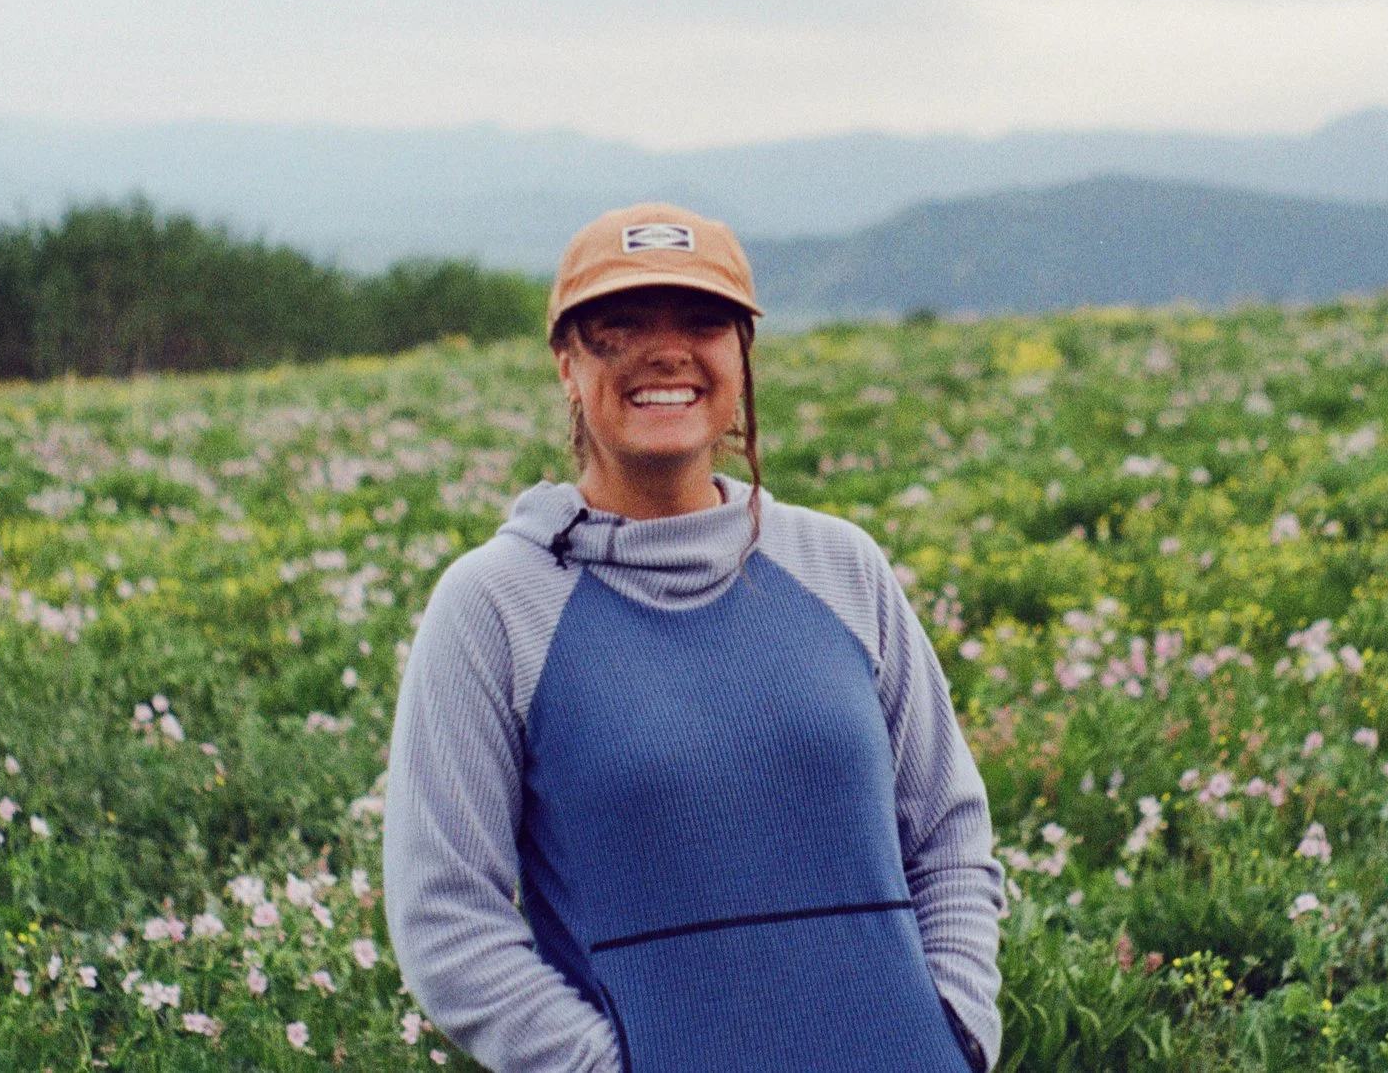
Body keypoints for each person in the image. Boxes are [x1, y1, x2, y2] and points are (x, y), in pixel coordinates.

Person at [384, 201, 1005, 1073]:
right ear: (566, 363)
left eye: (705, 322)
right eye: (619, 326)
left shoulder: (841, 565)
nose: (666, 350)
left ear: (742, 354)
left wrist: (956, 1027)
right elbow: (445, 920)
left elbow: (947, 829)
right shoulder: (494, 605)